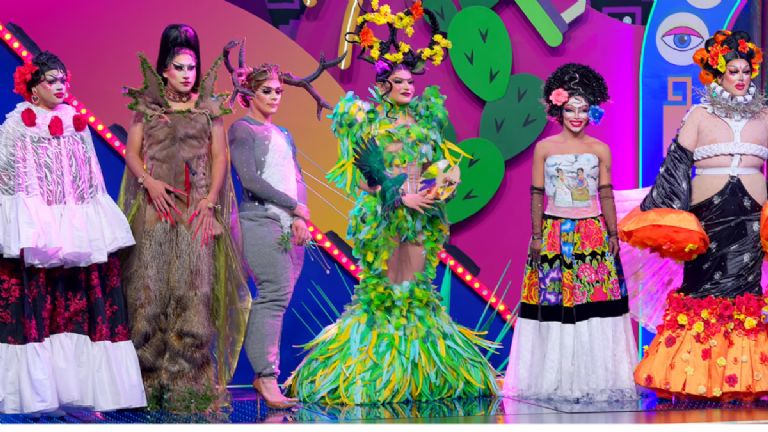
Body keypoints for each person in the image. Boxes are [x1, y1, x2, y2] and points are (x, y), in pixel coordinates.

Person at [285, 1, 498, 405]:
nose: (407, 87)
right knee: (383, 292)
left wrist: (442, 184)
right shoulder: (367, 123)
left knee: (413, 292)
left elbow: (431, 168)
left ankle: (415, 376)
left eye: (409, 82)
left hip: (419, 216)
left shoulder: (425, 124)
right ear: (383, 86)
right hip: (383, 215)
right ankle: (374, 375)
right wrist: (399, 195)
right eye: (399, 82)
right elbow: (366, 179)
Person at [623, 30, 768, 400]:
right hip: (709, 218)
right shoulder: (700, 115)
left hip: (750, 218)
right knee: (702, 290)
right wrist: (670, 213)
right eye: (733, 71)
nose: (740, 77)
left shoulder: (765, 116)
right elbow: (675, 166)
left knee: (746, 293)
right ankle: (696, 377)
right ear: (718, 73)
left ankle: (742, 379)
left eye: (745, 71)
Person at [0, 50, 145, 413]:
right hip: (37, 228)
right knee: (38, 304)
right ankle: (38, 393)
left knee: (78, 302)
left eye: (64, 80)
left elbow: (90, 179)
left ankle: (81, 391)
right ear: (33, 87)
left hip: (76, 228)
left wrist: (86, 226)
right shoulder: (16, 126)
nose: (60, 86)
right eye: (52, 80)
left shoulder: (75, 123)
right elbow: (8, 178)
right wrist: (28, 224)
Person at [119, 24, 250, 412]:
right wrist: (148, 182)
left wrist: (209, 201)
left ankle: (188, 387)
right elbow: (132, 152)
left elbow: (220, 157)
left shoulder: (209, 109)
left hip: (196, 212)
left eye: (192, 67)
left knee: (194, 296)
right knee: (149, 297)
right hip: (156, 211)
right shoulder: (148, 107)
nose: (187, 74)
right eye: (179, 67)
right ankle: (145, 384)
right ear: (164, 69)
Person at [503, 63, 637, 401]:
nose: (576, 116)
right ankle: (555, 380)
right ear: (558, 110)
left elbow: (605, 193)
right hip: (553, 233)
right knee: (555, 303)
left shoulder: (600, 149)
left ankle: (595, 381)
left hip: (592, 233)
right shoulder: (545, 148)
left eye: (583, 109)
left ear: (592, 112)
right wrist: (536, 236)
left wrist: (613, 234)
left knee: (595, 303)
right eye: (570, 109)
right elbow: (537, 193)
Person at [223, 40, 341, 408]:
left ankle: (266, 376)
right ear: (250, 93)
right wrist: (293, 207)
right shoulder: (242, 130)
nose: (274, 97)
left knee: (280, 296)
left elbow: (296, 177)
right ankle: (265, 376)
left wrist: (300, 216)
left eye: (278, 91)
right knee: (273, 293)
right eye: (266, 91)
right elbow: (250, 179)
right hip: (259, 219)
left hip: (288, 225)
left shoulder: (284, 134)